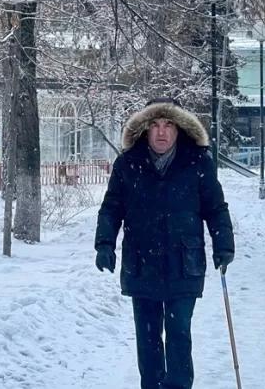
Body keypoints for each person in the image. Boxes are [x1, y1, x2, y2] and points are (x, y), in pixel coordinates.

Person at [95, 97, 235, 389]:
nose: (161, 132)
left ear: (179, 128)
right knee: (147, 339)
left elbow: (215, 207)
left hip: (184, 264)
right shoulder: (128, 164)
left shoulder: (197, 162)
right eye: (155, 125)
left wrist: (223, 244)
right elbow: (112, 208)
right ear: (145, 129)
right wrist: (104, 244)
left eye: (168, 124)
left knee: (179, 333)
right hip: (141, 263)